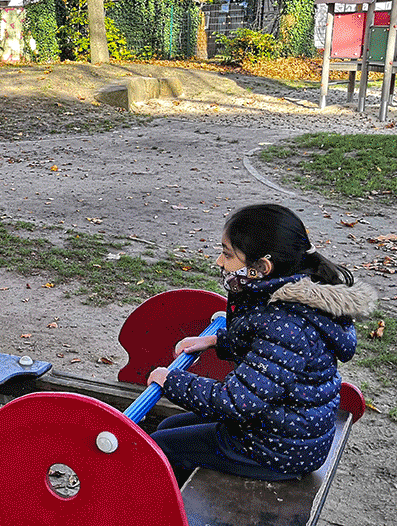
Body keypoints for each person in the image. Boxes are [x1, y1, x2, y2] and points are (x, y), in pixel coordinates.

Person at [147, 203, 377, 482]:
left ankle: (179, 518)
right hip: (282, 428)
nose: (220, 263)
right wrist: (213, 341)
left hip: (278, 450)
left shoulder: (286, 323)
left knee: (160, 447)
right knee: (169, 425)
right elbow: (264, 351)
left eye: (227, 255)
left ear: (261, 267)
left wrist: (170, 381)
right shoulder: (283, 295)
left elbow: (235, 401)